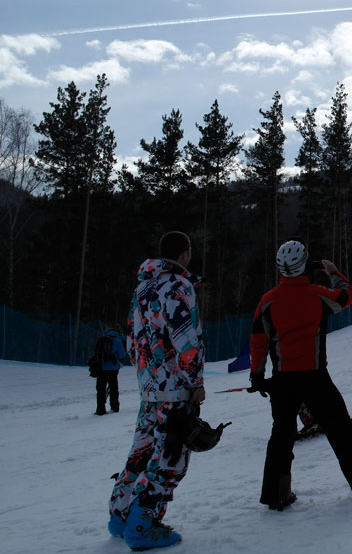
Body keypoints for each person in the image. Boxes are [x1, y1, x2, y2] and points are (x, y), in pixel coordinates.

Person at [248, 239, 352, 511]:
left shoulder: (268, 301)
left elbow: (258, 341)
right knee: (341, 429)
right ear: (305, 265)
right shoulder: (317, 294)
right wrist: (333, 272)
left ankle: (276, 494)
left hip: (282, 378)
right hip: (315, 376)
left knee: (281, 436)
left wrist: (257, 375)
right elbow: (346, 297)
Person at [108, 231, 204, 550]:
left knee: (142, 452)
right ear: (184, 254)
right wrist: (195, 381)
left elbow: (131, 341)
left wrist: (146, 375)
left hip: (149, 388)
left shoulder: (142, 288)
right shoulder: (179, 286)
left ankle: (121, 514)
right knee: (170, 459)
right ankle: (143, 525)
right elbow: (185, 339)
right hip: (174, 390)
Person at [93, 328, 127, 415]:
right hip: (113, 368)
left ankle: (100, 409)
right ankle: (115, 407)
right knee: (113, 388)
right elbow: (122, 354)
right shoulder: (117, 340)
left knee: (101, 389)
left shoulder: (101, 339)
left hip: (101, 368)